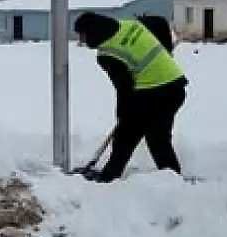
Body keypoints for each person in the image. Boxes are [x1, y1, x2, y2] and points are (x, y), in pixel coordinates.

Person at [73, 11, 187, 182]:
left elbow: (124, 87)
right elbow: (158, 22)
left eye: (82, 35)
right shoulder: (128, 25)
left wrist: (123, 116)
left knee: (125, 138)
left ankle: (108, 179)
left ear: (93, 31)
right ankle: (174, 180)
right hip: (175, 86)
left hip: (153, 93)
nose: (80, 41)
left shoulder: (108, 54)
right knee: (158, 138)